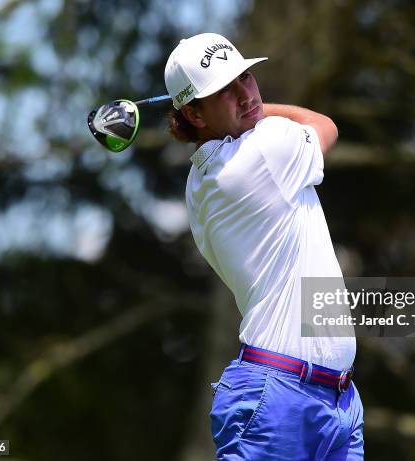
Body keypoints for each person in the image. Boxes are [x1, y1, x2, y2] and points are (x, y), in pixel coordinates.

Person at [164, 32, 364, 461]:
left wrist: (236, 108)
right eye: (225, 90)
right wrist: (260, 108)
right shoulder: (262, 152)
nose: (245, 94)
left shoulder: (200, 180)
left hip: (334, 398)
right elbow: (324, 124)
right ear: (194, 113)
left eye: (246, 78)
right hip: (280, 399)